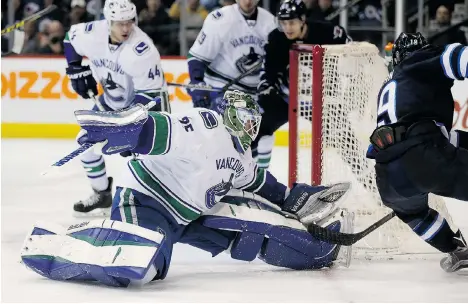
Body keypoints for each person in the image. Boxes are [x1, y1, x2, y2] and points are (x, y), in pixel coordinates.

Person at [21, 90, 354, 287]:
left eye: (254, 121)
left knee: (246, 236)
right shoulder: (205, 123)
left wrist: (289, 198)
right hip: (147, 200)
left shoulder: (242, 155)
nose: (252, 127)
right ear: (230, 115)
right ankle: (74, 242)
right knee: (145, 269)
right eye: (247, 119)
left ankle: (316, 250)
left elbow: (257, 182)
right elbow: (162, 131)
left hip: (191, 214)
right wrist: (130, 131)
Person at [366, 32, 468, 272]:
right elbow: (458, 57)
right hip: (423, 155)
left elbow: (435, 134)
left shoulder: (391, 87)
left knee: (414, 214)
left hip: (387, 178)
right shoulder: (419, 62)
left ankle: (455, 248)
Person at [63, 0, 170, 216]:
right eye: (119, 23)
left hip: (145, 106)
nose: (125, 28)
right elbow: (69, 39)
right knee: (85, 143)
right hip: (110, 103)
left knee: (147, 157)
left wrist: (128, 127)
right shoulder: (92, 33)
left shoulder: (143, 50)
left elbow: (150, 97)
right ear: (108, 21)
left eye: (129, 22)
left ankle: (159, 201)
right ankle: (102, 195)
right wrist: (74, 68)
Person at [252, 0, 350, 168]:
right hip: (287, 98)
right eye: (283, 23)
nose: (287, 27)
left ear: (303, 20)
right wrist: (267, 87)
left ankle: (369, 178)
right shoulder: (277, 38)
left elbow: (351, 49)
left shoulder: (327, 32)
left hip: (321, 100)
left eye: (292, 22)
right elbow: (269, 70)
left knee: (346, 141)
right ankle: (251, 178)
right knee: (255, 131)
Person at [186, 0, 276, 109]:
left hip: (256, 94)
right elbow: (197, 56)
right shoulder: (219, 19)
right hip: (220, 89)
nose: (248, 1)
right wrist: (197, 82)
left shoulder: (271, 22)